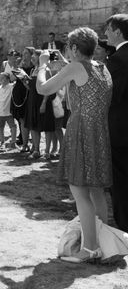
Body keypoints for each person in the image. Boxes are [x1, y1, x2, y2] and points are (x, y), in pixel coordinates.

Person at [36, 27, 113, 263]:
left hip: (81, 130)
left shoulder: (76, 66)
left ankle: (89, 249)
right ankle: (101, 244)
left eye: (68, 46)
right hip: (100, 131)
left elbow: (43, 88)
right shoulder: (102, 67)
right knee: (96, 190)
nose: (66, 50)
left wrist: (41, 65)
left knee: (80, 192)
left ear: (75, 49)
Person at [105, 14, 128, 232]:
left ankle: (124, 225)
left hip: (120, 130)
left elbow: (111, 96)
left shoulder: (116, 61)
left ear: (118, 32)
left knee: (120, 180)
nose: (105, 34)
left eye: (108, 30)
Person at [0, 72, 17, 150]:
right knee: (0, 128)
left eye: (3, 78)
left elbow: (16, 81)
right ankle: (2, 142)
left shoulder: (11, 87)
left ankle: (13, 142)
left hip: (9, 112)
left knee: (13, 126)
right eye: (0, 78)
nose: (1, 80)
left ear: (8, 79)